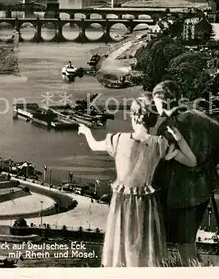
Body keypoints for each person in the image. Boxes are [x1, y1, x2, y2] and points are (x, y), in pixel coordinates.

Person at [78, 93, 198, 267]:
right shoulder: (160, 143)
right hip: (148, 206)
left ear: (134, 116)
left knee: (122, 251)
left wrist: (87, 132)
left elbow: (94, 145)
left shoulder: (118, 139)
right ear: (151, 120)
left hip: (121, 205)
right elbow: (192, 161)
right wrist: (179, 138)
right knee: (147, 252)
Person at [151, 80, 219, 266]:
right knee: (188, 243)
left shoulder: (167, 127)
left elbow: (162, 162)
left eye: (156, 100)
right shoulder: (198, 115)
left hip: (181, 193)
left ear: (162, 101)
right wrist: (208, 166)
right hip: (203, 189)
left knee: (184, 244)